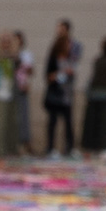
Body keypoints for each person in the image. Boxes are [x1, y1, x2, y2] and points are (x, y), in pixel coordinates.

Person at [41, 22, 78, 154]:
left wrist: (70, 74)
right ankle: (50, 147)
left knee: (68, 122)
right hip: (55, 94)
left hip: (66, 95)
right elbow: (48, 76)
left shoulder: (70, 59)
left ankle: (70, 147)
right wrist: (61, 74)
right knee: (53, 122)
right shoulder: (54, 59)